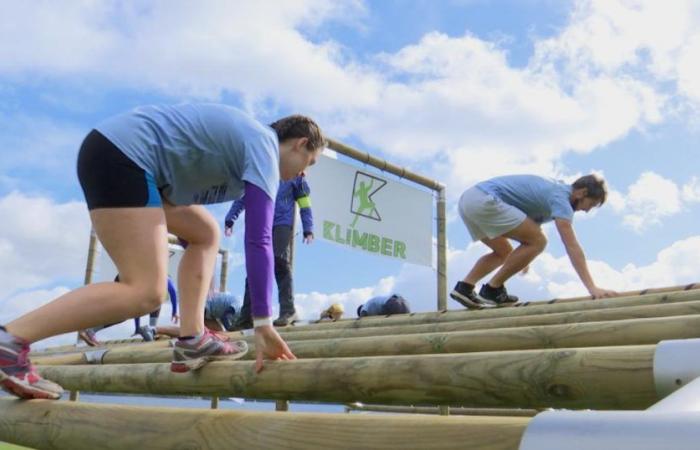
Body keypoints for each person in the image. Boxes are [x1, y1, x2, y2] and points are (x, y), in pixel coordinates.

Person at [0, 103, 325, 400]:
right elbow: (259, 239)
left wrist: (199, 283)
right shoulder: (264, 147)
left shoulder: (246, 147)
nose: (303, 173)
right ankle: (10, 342)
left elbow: (189, 227)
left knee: (205, 233)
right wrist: (263, 323)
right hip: (125, 156)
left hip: (127, 159)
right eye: (308, 162)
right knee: (145, 291)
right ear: (299, 143)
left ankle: (192, 340)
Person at [450, 174, 617, 309]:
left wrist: (522, 258)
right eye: (591, 204)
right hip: (486, 200)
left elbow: (524, 227)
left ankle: (464, 288)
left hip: (469, 200)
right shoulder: (562, 198)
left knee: (503, 254)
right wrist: (592, 288)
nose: (587, 210)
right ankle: (492, 290)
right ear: (582, 193)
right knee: (539, 242)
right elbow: (572, 246)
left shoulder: (551, 192)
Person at [225, 173, 314, 328]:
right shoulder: (260, 170)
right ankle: (246, 317)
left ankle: (288, 309)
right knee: (256, 268)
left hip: (282, 224)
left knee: (279, 260)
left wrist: (308, 227)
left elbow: (305, 203)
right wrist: (230, 217)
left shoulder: (296, 175)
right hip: (261, 223)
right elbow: (243, 196)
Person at [78, 275, 179, 345]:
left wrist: (137, 328)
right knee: (126, 313)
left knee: (125, 314)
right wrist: (174, 311)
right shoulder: (162, 279)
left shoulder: (154, 284)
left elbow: (137, 308)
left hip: (124, 281)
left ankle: (151, 328)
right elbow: (173, 292)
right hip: (126, 281)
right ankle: (151, 328)